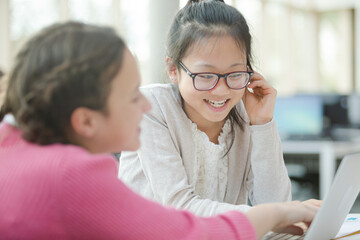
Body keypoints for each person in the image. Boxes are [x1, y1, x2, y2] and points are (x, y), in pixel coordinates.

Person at [0, 21, 319, 240]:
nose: (146, 105)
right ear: (85, 120)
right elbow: (188, 233)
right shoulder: (70, 173)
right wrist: (281, 212)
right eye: (131, 95)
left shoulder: (12, 147)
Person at [119, 0, 291, 216]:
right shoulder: (150, 107)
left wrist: (262, 123)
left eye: (235, 74)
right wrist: (275, 216)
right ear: (173, 70)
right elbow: (180, 208)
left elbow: (277, 208)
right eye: (206, 76)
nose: (221, 91)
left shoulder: (245, 112)